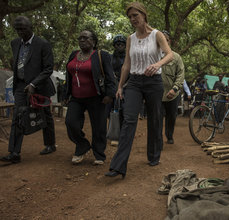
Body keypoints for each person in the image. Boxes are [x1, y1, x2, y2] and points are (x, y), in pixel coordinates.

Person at [105, 2, 173, 179]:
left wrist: (157, 64)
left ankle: (153, 155)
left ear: (144, 15)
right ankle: (118, 166)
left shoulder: (157, 35)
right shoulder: (130, 38)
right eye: (130, 17)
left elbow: (169, 54)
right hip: (134, 82)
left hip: (154, 82)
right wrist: (120, 86)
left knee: (155, 119)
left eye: (135, 15)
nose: (132, 19)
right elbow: (127, 64)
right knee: (128, 120)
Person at [1, 16, 56, 164]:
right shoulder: (14, 43)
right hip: (20, 86)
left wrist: (33, 84)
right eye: (17, 29)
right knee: (18, 116)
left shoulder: (43, 44)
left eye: (23, 29)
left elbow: (48, 68)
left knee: (45, 115)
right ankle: (14, 152)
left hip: (40, 86)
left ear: (31, 27)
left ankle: (50, 144)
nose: (20, 32)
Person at [64, 29, 116, 165]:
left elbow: (110, 76)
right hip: (76, 97)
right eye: (80, 38)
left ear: (93, 41)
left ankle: (99, 154)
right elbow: (68, 76)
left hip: (96, 97)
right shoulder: (73, 55)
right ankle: (82, 145)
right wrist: (66, 94)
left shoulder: (101, 55)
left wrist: (110, 95)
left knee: (99, 127)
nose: (82, 40)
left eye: (85, 38)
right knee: (70, 122)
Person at [160, 30, 185, 144]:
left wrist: (174, 89)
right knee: (157, 117)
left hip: (172, 95)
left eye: (165, 40)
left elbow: (181, 74)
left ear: (169, 41)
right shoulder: (154, 56)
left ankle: (169, 136)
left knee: (171, 117)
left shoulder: (176, 57)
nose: (163, 42)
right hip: (157, 94)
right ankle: (157, 138)